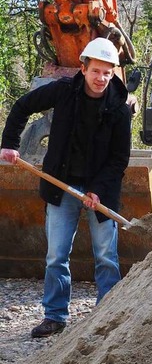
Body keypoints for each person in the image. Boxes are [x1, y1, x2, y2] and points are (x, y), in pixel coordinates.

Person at [0, 37, 131, 338]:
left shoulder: (119, 109)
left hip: (100, 192)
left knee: (106, 255)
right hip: (62, 185)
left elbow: (118, 159)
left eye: (107, 73)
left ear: (113, 73)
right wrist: (9, 144)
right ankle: (55, 316)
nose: (101, 78)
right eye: (96, 71)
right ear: (84, 68)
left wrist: (97, 190)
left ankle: (107, 314)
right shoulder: (63, 93)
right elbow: (22, 107)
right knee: (56, 255)